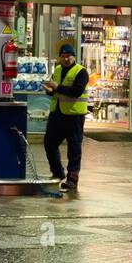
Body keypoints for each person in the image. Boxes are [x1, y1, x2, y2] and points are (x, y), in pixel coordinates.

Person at [43, 42, 88, 191]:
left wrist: (57, 87)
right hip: (57, 113)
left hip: (74, 116)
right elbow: (55, 90)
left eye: (68, 56)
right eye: (63, 56)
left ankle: (72, 179)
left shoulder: (81, 72)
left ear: (73, 56)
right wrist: (49, 90)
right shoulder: (57, 69)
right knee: (49, 143)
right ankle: (57, 173)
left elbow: (76, 91)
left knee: (74, 149)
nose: (65, 59)